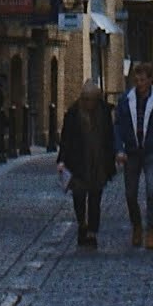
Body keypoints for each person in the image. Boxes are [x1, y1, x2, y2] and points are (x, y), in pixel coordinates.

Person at [114, 61, 153, 252]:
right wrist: (119, 149)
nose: (139, 83)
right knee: (130, 194)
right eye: (137, 79)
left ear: (150, 80)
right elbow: (118, 127)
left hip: (151, 151)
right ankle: (137, 225)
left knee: (151, 190)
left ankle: (151, 230)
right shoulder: (125, 100)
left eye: (142, 79)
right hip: (132, 152)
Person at [57, 72, 117, 251]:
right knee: (79, 196)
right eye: (85, 99)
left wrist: (114, 156)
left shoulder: (104, 113)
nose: (88, 103)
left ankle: (92, 230)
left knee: (95, 198)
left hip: (98, 162)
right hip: (78, 161)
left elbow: (109, 137)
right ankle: (82, 223)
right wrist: (61, 160)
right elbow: (66, 139)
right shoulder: (73, 113)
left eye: (91, 99)